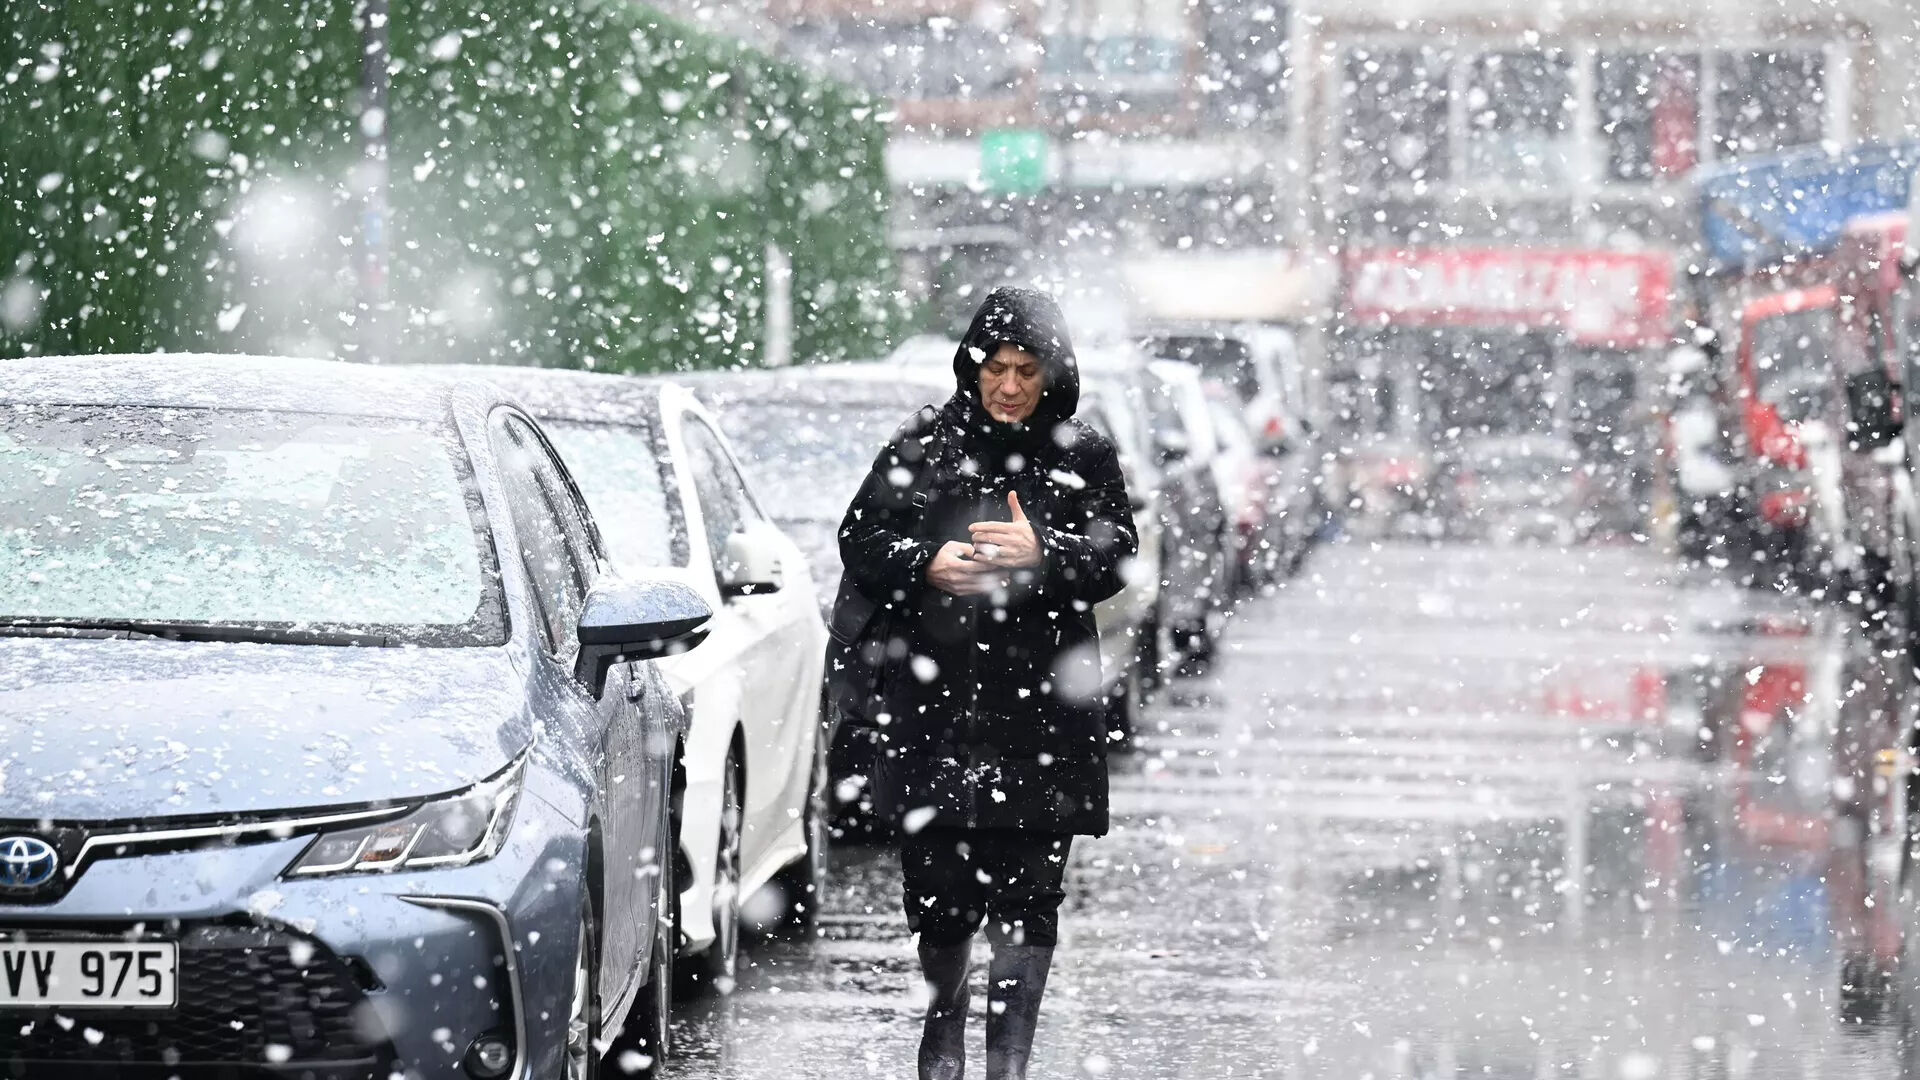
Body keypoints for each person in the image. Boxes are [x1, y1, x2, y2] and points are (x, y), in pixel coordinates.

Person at [837, 286, 1137, 1080]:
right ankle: (942, 1049)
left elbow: (1116, 557)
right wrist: (923, 564)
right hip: (935, 710)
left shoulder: (1082, 456)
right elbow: (860, 539)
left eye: (1025, 371)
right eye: (995, 368)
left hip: (1044, 713)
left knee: (1032, 897)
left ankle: (1009, 1063)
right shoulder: (924, 446)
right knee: (940, 896)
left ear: (1053, 376)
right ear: (972, 368)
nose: (1008, 386)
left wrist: (1044, 554)